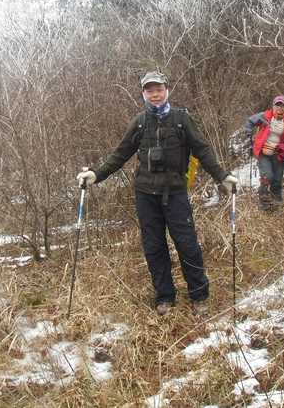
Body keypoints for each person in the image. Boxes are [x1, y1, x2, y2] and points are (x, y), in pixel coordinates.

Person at [76, 71, 239, 317]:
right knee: (153, 246)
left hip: (175, 193)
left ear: (167, 91)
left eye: (159, 89)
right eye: (149, 90)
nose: (155, 94)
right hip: (145, 195)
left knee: (187, 245)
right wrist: (97, 175)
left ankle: (199, 295)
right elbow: (120, 154)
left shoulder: (182, 120)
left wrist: (222, 176)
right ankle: (164, 296)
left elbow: (202, 150)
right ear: (143, 94)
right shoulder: (140, 122)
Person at [244, 96, 284, 211]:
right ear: (273, 106)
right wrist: (250, 135)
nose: (280, 108)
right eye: (278, 105)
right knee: (267, 178)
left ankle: (277, 207)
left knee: (277, 181)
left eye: (282, 105)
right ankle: (266, 206)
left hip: (279, 154)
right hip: (263, 152)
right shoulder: (264, 117)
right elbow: (249, 122)